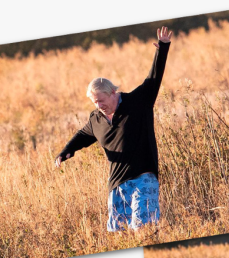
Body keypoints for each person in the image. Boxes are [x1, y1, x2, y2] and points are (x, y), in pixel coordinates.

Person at [54, 26, 172, 233]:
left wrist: (162, 49)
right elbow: (82, 136)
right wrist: (65, 152)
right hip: (116, 184)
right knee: (118, 233)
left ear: (112, 92)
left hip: (143, 177)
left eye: (101, 100)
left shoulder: (138, 102)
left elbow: (154, 79)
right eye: (94, 102)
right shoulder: (96, 119)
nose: (98, 105)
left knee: (144, 229)